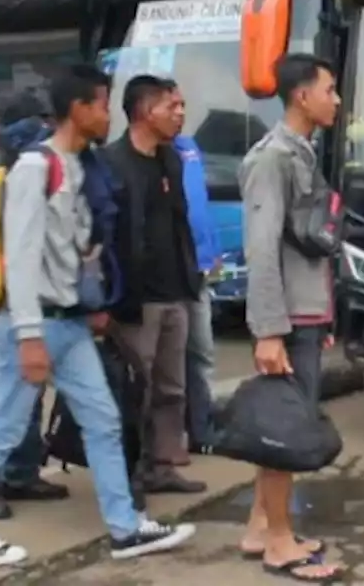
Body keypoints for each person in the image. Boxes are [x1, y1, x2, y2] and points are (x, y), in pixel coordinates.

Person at [0, 64, 196, 566]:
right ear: (78, 110)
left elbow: (75, 247)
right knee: (2, 428)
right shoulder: (37, 169)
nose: (107, 114)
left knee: (102, 420)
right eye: (101, 104)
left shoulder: (81, 165)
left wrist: (92, 304)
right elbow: (22, 252)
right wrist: (29, 336)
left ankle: (125, 528)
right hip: (35, 322)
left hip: (72, 322)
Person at [239, 54, 345, 582]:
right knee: (283, 431)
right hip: (286, 322)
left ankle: (262, 523)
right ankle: (280, 543)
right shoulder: (272, 159)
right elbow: (260, 249)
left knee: (282, 425)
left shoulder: (300, 153)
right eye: (330, 89)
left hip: (305, 316)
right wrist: (269, 330)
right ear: (302, 96)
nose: (337, 99)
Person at [0, 90, 69, 522]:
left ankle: (21, 473)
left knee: (26, 387)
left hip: (20, 299)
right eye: (40, 120)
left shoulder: (13, 167)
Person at [104, 76, 205, 494]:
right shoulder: (112, 162)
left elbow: (178, 223)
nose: (181, 113)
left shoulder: (172, 160)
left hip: (175, 293)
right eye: (173, 105)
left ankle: (163, 466)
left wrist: (191, 278)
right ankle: (128, 473)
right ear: (147, 111)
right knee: (133, 391)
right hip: (135, 301)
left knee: (171, 389)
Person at [170, 86, 222, 456]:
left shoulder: (189, 148)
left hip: (200, 271)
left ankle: (203, 428)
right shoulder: (149, 154)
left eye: (183, 105)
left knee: (202, 353)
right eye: (172, 105)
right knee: (170, 363)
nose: (180, 112)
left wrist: (214, 250)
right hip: (171, 275)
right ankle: (170, 439)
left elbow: (201, 205)